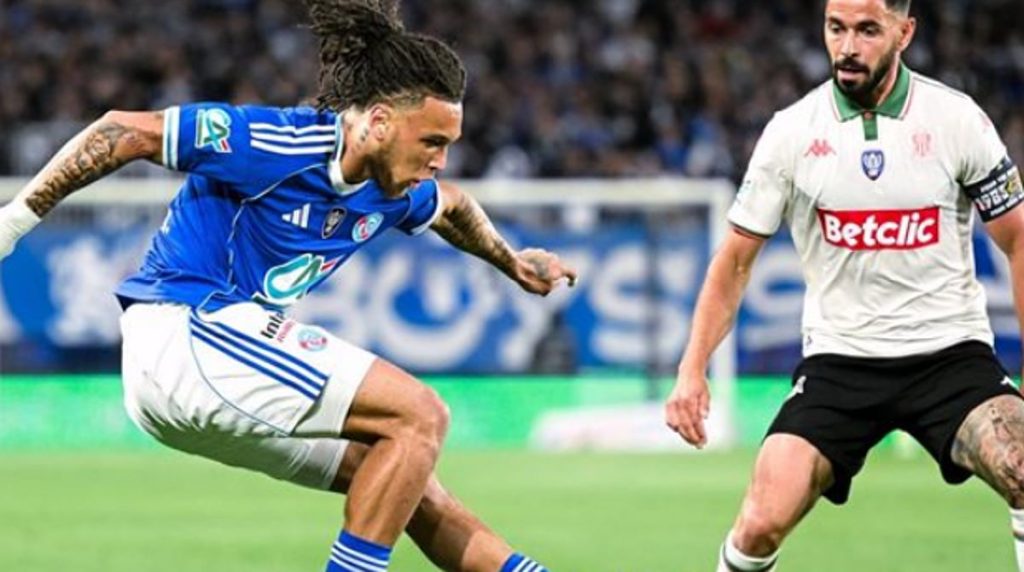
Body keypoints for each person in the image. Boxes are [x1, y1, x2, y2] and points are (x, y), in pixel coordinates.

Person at [0, 1, 576, 571]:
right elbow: (123, 130)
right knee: (419, 415)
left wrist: (511, 262)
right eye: (431, 142)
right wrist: (11, 224)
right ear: (379, 122)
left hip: (212, 372)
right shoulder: (277, 143)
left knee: (404, 478)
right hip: (185, 331)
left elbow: (451, 207)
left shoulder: (391, 187)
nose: (441, 161)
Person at [665, 0, 1024, 570]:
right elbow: (733, 261)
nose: (848, 47)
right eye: (836, 28)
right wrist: (692, 368)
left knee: (1022, 465)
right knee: (759, 524)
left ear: (905, 33)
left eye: (867, 30)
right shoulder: (792, 132)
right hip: (840, 361)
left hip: (950, 356)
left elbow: (1018, 239)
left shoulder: (957, 120)